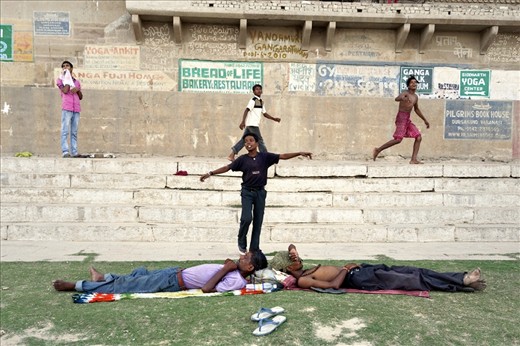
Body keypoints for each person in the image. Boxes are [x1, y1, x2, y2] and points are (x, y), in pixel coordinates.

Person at [202, 133, 312, 254]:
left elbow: (283, 156)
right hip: (247, 192)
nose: (248, 143)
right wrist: (210, 173)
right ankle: (241, 241)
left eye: (251, 140)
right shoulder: (242, 159)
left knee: (258, 221)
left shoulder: (265, 157)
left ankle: (254, 248)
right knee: (246, 218)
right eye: (246, 142)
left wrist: (299, 153)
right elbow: (227, 167)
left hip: (260, 193)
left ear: (257, 143)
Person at [273, 244, 486, 293]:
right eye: (294, 259)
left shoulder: (307, 268)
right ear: (289, 268)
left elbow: (291, 247)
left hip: (362, 270)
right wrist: (346, 269)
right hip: (358, 279)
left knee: (416, 271)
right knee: (413, 280)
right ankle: (463, 283)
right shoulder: (302, 280)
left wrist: (291, 250)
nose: (297, 257)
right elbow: (333, 285)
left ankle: (461, 278)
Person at [53, 250, 267, 294]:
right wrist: (225, 268)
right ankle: (104, 278)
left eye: (245, 258)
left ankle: (76, 285)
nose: (241, 257)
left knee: (128, 286)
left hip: (173, 282)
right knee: (140, 274)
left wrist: (226, 269)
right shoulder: (234, 271)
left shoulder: (236, 280)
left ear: (249, 268)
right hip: (175, 273)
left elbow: (206, 288)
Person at [373, 75, 430, 164]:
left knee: (418, 137)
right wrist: (402, 98)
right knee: (398, 139)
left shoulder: (415, 97)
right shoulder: (405, 93)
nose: (414, 84)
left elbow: (416, 109)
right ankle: (378, 150)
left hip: (407, 119)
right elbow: (397, 98)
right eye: (412, 82)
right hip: (401, 118)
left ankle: (413, 159)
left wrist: (425, 120)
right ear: (408, 85)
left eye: (415, 82)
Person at [227, 84, 281, 161]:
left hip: (251, 125)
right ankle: (265, 156)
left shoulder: (261, 102)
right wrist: (243, 122)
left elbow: (265, 114)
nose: (258, 90)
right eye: (256, 89)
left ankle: (231, 155)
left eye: (260, 89)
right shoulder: (253, 100)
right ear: (253, 91)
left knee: (243, 140)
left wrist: (274, 119)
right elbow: (246, 110)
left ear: (262, 91)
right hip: (252, 124)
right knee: (259, 140)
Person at [56, 60, 83, 158]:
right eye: (63, 66)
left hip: (76, 109)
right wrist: (67, 79)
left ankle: (75, 152)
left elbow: (80, 97)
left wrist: (77, 90)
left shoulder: (77, 82)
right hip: (67, 108)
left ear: (71, 68)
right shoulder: (60, 80)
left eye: (67, 66)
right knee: (65, 131)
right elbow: (65, 90)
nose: (65, 67)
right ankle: (65, 151)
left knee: (74, 132)